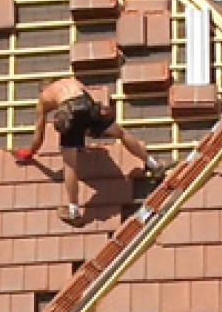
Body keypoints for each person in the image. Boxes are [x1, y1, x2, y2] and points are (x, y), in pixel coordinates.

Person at [14, 76, 166, 225]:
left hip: (70, 113)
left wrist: (30, 152)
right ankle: (153, 165)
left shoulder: (44, 98)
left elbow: (39, 135)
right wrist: (90, 127)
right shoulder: (72, 81)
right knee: (121, 133)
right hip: (87, 105)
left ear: (43, 90)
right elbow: (88, 104)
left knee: (70, 164)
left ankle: (73, 210)